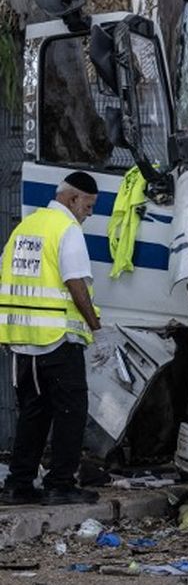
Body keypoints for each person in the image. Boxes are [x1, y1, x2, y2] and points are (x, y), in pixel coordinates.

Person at [0, 173, 104, 506]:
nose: (89, 213)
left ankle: (19, 484)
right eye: (88, 206)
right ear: (73, 199)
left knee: (34, 412)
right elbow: (76, 283)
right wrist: (95, 325)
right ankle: (60, 484)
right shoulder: (66, 230)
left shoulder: (25, 228)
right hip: (58, 339)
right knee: (71, 411)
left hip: (22, 341)